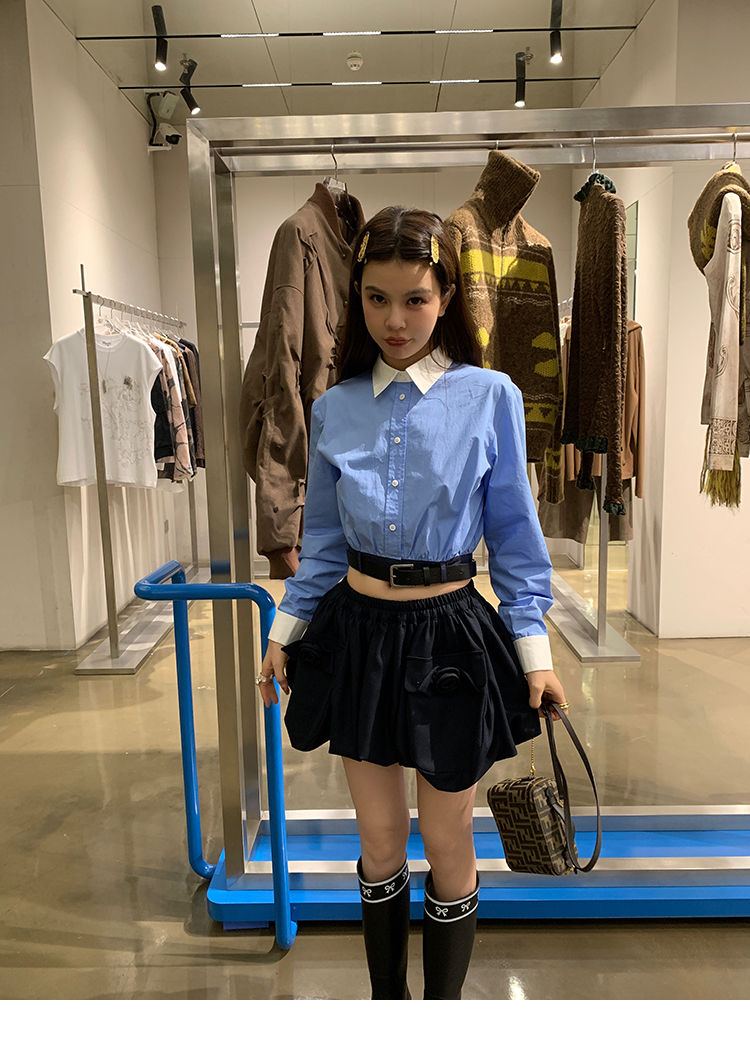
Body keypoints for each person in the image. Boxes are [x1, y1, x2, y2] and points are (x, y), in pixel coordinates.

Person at [256, 206, 568, 1000]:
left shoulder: (490, 396)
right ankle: (388, 1006)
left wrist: (534, 652)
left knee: (448, 836)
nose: (395, 320)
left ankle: (441, 1014)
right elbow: (322, 545)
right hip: (358, 633)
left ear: (448, 298)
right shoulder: (335, 407)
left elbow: (516, 539)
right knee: (380, 837)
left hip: (449, 635)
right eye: (376, 298)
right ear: (356, 298)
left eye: (415, 299)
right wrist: (283, 633)